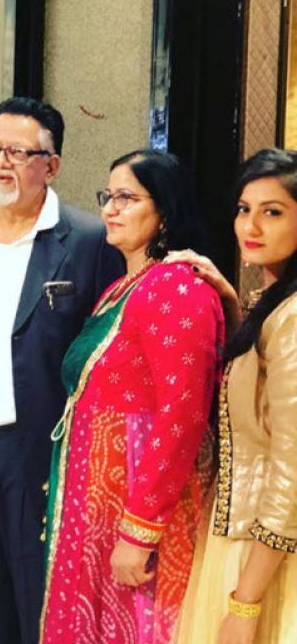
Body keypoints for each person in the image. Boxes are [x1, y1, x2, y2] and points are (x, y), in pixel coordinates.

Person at [0, 96, 123, 643]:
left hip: (40, 459)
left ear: (51, 166)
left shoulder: (87, 240)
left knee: (42, 611)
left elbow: (107, 357)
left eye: (17, 152)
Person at [40, 149, 225, 643]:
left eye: (127, 197)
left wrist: (139, 531)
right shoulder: (123, 287)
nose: (110, 209)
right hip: (100, 502)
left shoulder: (174, 287)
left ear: (164, 210)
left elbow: (182, 416)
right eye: (108, 196)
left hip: (138, 509)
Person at [169, 148, 297, 644]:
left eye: (273, 212)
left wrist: (246, 603)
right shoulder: (275, 307)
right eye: (245, 209)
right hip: (247, 537)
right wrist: (231, 302)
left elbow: (291, 471)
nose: (251, 226)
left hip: (267, 553)